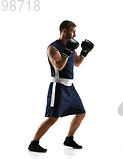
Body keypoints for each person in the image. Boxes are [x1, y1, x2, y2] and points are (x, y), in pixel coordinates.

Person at [28, 20, 95, 152]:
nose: (75, 35)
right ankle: (34, 143)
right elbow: (58, 65)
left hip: (70, 87)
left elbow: (77, 63)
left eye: (75, 32)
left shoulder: (71, 46)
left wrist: (84, 52)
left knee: (81, 113)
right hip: (58, 87)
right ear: (64, 31)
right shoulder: (52, 48)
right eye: (73, 32)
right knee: (53, 118)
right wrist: (67, 51)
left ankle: (69, 138)